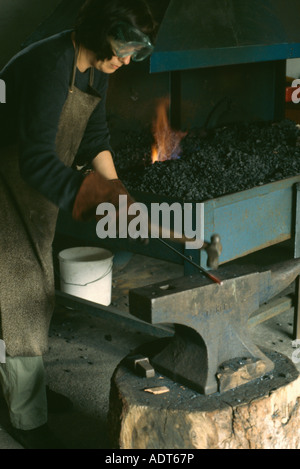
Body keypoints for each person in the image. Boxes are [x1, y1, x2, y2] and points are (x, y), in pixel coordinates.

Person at [0, 0, 156, 449]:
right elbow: (33, 160)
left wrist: (119, 193)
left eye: (133, 52)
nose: (126, 60)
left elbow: (94, 136)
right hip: (7, 178)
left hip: (33, 189)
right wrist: (92, 196)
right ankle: (26, 418)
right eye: (122, 48)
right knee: (22, 291)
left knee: (27, 289)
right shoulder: (52, 63)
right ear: (98, 32)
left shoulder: (94, 70)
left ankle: (21, 387)